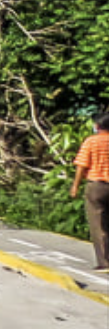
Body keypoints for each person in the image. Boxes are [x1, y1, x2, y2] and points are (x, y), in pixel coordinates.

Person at [70, 109, 109, 272]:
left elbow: (82, 165)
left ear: (98, 125)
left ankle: (104, 262)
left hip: (97, 185)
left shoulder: (91, 142)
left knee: (98, 225)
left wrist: (75, 186)